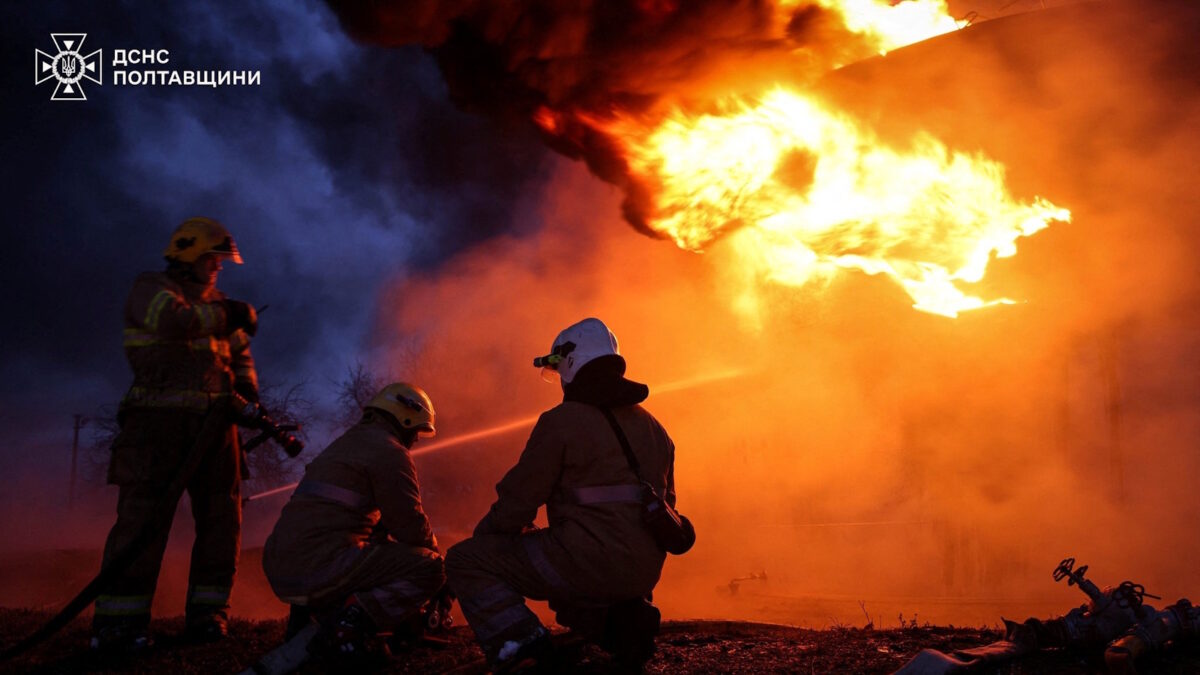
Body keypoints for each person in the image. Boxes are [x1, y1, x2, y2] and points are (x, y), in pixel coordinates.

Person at [446, 317, 679, 672]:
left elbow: (517, 502)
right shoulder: (656, 429)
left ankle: (524, 649)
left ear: (570, 362)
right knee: (567, 557)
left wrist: (489, 541)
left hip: (587, 565)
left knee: (466, 559)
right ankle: (622, 624)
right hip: (642, 574)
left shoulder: (560, 421)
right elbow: (668, 507)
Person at [92, 217, 260, 650]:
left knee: (223, 523)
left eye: (221, 261)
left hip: (215, 429)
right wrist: (229, 313)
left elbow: (239, 353)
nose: (218, 268)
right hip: (155, 427)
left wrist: (246, 386)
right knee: (142, 525)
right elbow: (173, 321)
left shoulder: (218, 304)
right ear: (188, 255)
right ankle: (119, 626)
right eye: (212, 259)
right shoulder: (150, 290)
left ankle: (209, 617)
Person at [261, 382, 447, 660]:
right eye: (417, 430)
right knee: (431, 568)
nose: (417, 439)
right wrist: (441, 565)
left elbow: (333, 520)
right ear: (405, 417)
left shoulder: (344, 444)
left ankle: (307, 623)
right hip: (317, 567)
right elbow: (410, 526)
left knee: (369, 545)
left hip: (283, 567)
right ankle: (348, 629)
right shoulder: (389, 451)